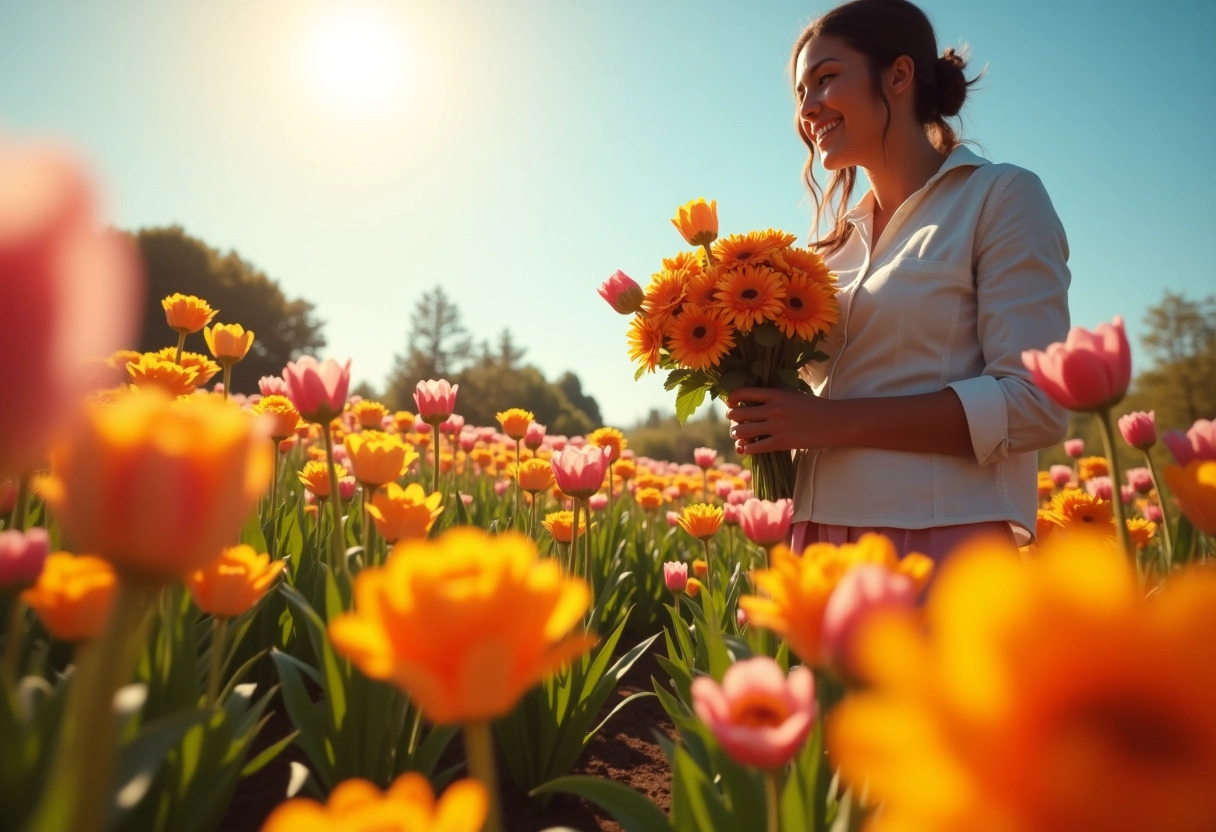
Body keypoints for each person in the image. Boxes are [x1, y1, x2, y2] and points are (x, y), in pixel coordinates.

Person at [724, 0, 1070, 560]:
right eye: (799, 93)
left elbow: (1034, 404)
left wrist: (827, 423)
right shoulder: (822, 254)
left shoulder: (1000, 198)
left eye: (825, 79)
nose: (807, 110)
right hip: (817, 545)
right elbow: (809, 405)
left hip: (944, 541)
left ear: (899, 75)